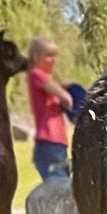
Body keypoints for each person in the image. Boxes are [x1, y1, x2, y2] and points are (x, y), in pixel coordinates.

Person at [25, 37, 73, 181]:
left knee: (61, 186)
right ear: (36, 57)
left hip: (56, 143)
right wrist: (69, 92)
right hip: (49, 141)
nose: (53, 60)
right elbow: (67, 99)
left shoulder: (43, 79)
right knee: (59, 186)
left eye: (55, 56)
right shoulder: (37, 74)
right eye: (48, 55)